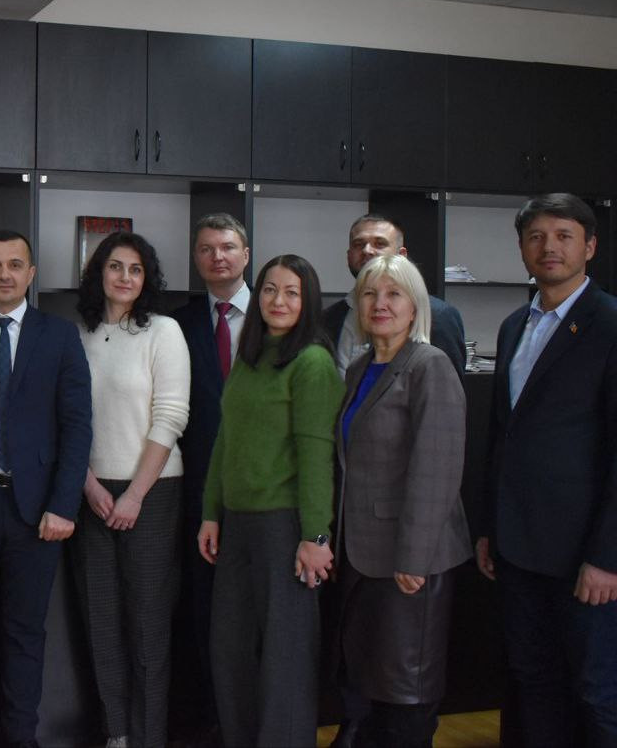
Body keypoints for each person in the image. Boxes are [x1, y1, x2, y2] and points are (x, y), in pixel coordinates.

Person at [0, 230, 92, 748]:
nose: (4, 274)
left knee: (26, 632)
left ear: (31, 273)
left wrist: (63, 505)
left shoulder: (60, 335)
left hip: (37, 509)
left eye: (14, 264)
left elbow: (77, 426)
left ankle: (21, 738)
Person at [475, 193, 617, 747]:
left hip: (585, 557)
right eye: (536, 236)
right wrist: (490, 527)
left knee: (597, 693)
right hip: (517, 549)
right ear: (521, 248)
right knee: (533, 681)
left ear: (590, 246)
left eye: (563, 236)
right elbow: (502, 439)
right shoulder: (515, 325)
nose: (548, 247)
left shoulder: (609, 324)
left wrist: (607, 557)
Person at [197, 254, 342, 748]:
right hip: (237, 524)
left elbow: (317, 454)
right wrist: (211, 512)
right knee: (230, 651)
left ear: (309, 301)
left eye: (292, 292)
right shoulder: (250, 355)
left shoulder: (313, 362)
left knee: (286, 658)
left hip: (286, 527)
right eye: (270, 290)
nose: (278, 301)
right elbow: (226, 439)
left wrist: (316, 535)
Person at [336, 253, 470, 747]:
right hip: (364, 557)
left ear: (416, 307)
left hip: (411, 561)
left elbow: (437, 469)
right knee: (373, 691)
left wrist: (413, 558)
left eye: (394, 294)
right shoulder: (359, 367)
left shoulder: (429, 365)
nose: (380, 304)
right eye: (370, 294)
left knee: (407, 697)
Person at [75, 231, 190, 748]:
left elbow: (171, 416)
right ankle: (116, 735)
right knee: (101, 620)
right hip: (90, 491)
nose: (125, 277)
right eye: (115, 266)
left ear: (147, 279)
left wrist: (135, 495)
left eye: (136, 269)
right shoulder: (78, 334)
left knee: (147, 625)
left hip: (153, 490)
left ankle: (148, 737)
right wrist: (88, 485)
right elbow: (66, 418)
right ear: (98, 272)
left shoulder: (163, 331)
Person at [168, 212, 251, 740]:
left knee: (253, 613)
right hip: (198, 488)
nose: (217, 257)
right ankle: (209, 722)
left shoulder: (276, 314)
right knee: (203, 608)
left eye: (227, 247)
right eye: (206, 249)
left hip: (263, 490)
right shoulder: (177, 323)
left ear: (245, 254)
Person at [321, 213, 466, 378]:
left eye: (379, 243)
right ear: (348, 256)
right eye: (358, 244)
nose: (367, 250)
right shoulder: (330, 318)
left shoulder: (438, 315)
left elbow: (447, 387)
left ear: (401, 255)